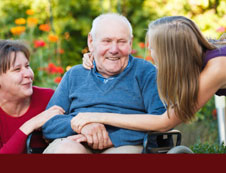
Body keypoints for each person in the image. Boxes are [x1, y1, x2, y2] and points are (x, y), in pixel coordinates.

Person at [71, 16, 226, 135]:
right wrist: (99, 60)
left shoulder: (218, 67)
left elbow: (165, 122)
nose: (151, 54)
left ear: (170, 53)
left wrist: (97, 116)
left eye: (153, 48)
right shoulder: (203, 57)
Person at [42, 13, 166, 153]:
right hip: (77, 141)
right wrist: (81, 127)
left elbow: (160, 121)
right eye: (106, 41)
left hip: (124, 145)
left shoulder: (146, 72)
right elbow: (48, 123)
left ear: (130, 43)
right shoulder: (74, 75)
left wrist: (112, 137)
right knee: (65, 150)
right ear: (91, 42)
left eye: (121, 42)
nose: (114, 50)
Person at [0, 39, 64, 154]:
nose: (28, 74)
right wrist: (30, 125)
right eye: (17, 69)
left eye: (27, 66)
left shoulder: (49, 98)